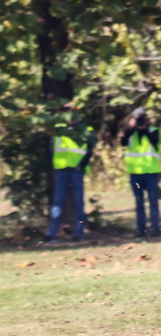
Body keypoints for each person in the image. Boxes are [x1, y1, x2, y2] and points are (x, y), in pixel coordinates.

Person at [45, 103, 96, 243]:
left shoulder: (86, 129)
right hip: (61, 170)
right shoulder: (58, 128)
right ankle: (52, 234)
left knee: (78, 202)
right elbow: (51, 148)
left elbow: (90, 150)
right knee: (57, 202)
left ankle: (79, 233)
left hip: (76, 170)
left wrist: (81, 165)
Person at [121, 107, 161, 238]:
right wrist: (131, 128)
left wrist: (144, 129)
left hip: (151, 173)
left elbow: (154, 141)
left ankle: (155, 228)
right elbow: (122, 142)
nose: (140, 121)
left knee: (153, 201)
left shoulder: (153, 131)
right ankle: (141, 229)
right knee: (139, 202)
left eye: (142, 118)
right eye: (138, 119)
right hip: (135, 173)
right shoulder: (130, 133)